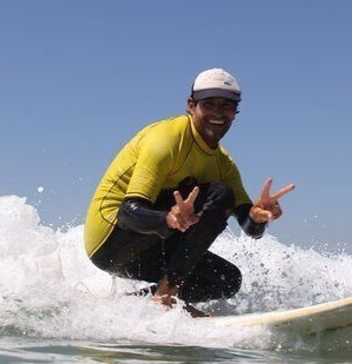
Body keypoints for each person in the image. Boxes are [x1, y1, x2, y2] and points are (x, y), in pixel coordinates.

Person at [84, 68, 295, 315]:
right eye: (209, 104)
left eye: (226, 106)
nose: (218, 113)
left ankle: (127, 306)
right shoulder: (166, 141)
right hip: (110, 240)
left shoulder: (223, 165)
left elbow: (250, 228)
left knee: (226, 280)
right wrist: (167, 218)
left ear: (235, 112)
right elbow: (128, 213)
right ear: (191, 105)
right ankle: (165, 296)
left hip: (151, 246)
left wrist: (258, 217)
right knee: (220, 193)